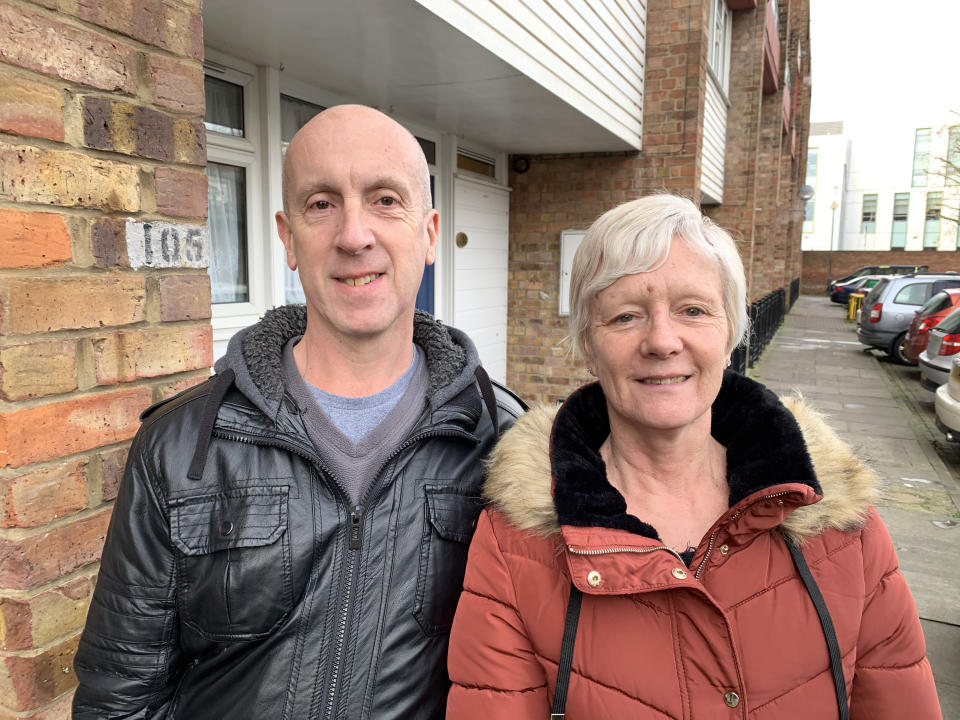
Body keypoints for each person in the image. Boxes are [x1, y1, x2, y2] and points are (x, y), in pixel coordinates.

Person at [73, 104, 524, 719]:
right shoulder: (181, 448)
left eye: (385, 200)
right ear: (287, 238)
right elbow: (119, 695)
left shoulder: (501, 441)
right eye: (322, 203)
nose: (354, 235)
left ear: (429, 233)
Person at [446, 194, 941, 719]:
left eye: (693, 310)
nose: (662, 340)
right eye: (625, 316)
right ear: (588, 342)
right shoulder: (513, 544)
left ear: (730, 332)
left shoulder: (840, 522)